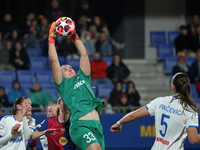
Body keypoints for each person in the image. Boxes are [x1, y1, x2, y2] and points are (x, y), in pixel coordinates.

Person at [48, 21, 105, 150]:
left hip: (97, 126)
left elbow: (84, 54)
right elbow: (54, 60)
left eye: (70, 67)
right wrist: (51, 38)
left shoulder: (83, 77)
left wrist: (74, 36)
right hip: (80, 126)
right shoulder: (63, 85)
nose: (69, 68)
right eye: (65, 69)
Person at [110, 72, 200, 149]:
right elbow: (194, 139)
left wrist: (118, 123)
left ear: (172, 87)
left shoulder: (160, 101)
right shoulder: (190, 110)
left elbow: (133, 115)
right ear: (188, 87)